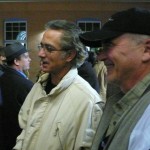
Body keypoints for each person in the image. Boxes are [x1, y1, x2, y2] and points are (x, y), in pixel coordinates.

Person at [13, 20, 104, 150]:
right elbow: (25, 132)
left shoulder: (87, 100)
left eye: (49, 49)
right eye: (41, 46)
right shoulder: (39, 87)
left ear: (70, 55)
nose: (40, 54)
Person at [79, 7, 150, 150]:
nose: (100, 57)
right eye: (101, 49)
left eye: (109, 45)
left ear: (146, 50)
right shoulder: (118, 100)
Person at [0, 42, 34, 150]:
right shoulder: (25, 84)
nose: (30, 59)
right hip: (18, 138)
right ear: (16, 61)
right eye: (26, 57)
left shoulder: (3, 77)